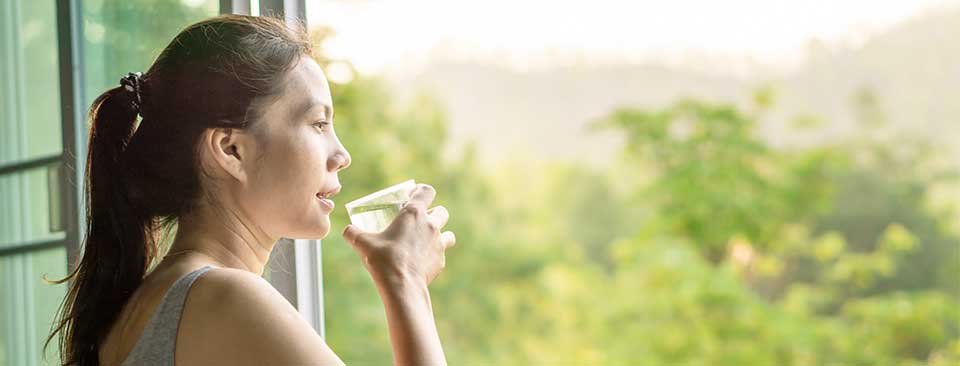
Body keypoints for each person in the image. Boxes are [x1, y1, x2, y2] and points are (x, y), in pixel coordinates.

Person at [46, 14, 457, 366]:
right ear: (232, 150)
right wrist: (406, 281)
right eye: (318, 123)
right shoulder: (222, 297)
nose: (342, 154)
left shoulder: (150, 302)